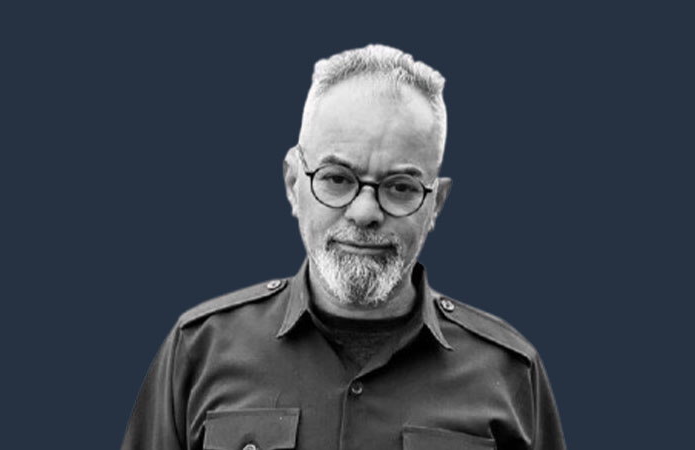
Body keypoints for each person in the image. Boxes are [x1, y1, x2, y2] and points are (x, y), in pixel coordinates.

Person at [122, 44, 565, 450]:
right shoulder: (198, 351)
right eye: (337, 179)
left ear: (436, 204)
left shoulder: (510, 374)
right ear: (293, 183)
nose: (365, 212)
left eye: (400, 186)